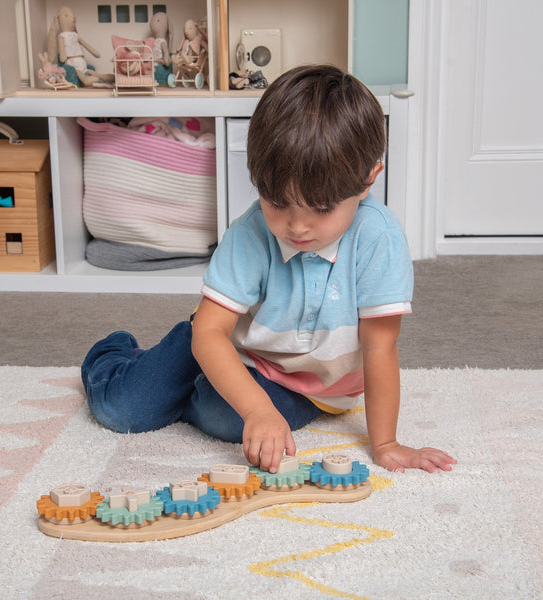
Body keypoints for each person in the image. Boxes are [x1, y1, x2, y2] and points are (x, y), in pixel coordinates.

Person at [82, 64, 456, 475]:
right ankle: (119, 350)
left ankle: (197, 385)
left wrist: (385, 443)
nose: (297, 227)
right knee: (123, 409)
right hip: (231, 346)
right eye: (277, 203)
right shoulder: (251, 232)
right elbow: (212, 332)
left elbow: (380, 346)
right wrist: (256, 409)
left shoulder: (378, 238)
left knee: (225, 419)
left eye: (321, 208)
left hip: (309, 386)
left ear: (368, 179)